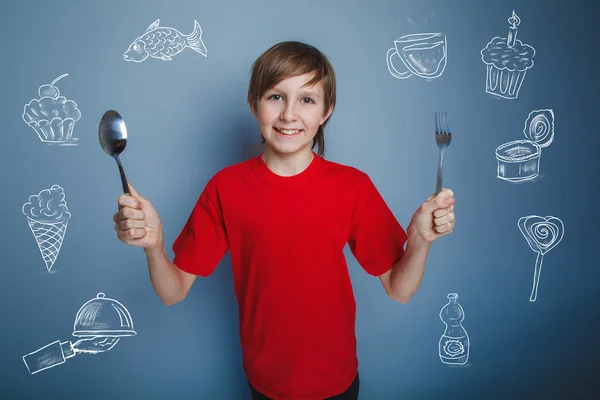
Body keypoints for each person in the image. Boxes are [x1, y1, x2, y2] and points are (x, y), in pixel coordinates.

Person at [113, 41, 455, 400]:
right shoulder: (225, 188)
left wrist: (420, 240)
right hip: (264, 383)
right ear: (253, 103)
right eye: (276, 97)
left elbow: (399, 290)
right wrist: (153, 245)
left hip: (336, 382)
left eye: (307, 100)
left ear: (326, 111)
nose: (289, 114)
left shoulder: (353, 186)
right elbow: (172, 292)